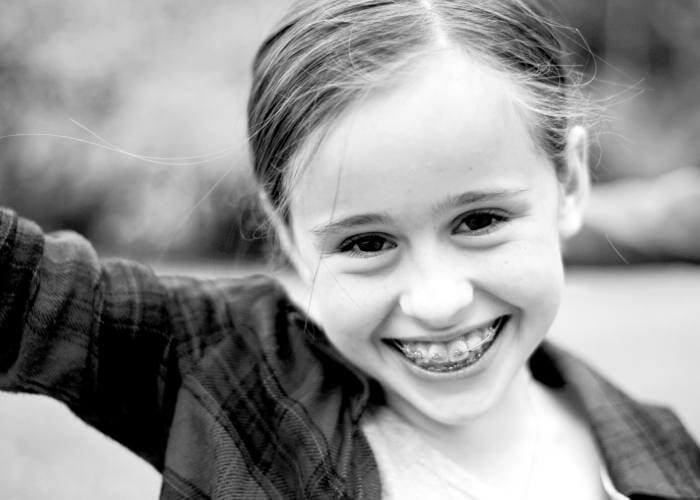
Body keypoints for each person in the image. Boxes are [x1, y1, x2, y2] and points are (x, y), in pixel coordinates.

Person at [1, 0, 699, 498]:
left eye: (480, 221)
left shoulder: (662, 454)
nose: (437, 299)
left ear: (570, 182)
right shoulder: (232, 373)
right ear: (286, 234)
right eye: (367, 241)